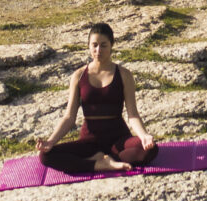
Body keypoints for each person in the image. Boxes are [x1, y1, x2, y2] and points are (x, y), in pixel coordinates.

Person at [36, 21, 158, 174]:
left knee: (150, 150)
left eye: (103, 45)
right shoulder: (79, 76)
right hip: (89, 142)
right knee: (45, 156)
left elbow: (132, 114)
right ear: (88, 46)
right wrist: (51, 141)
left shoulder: (124, 75)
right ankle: (99, 164)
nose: (98, 50)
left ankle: (103, 159)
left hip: (118, 139)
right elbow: (69, 117)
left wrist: (144, 136)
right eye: (94, 45)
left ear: (111, 45)